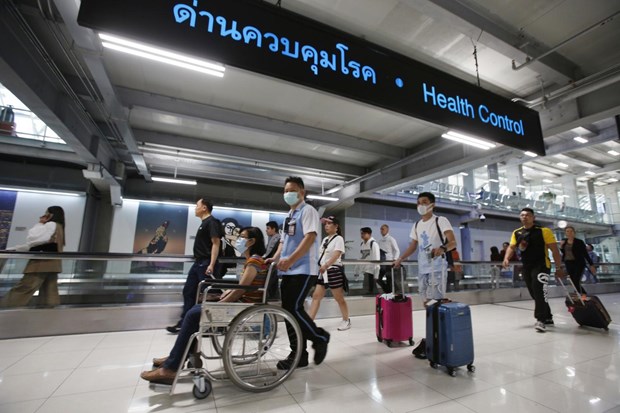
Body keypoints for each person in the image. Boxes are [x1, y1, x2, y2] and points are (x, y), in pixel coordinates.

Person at [141, 227, 268, 385]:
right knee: (194, 310)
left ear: (252, 241)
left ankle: (171, 367)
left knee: (193, 314)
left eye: (242, 237)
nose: (238, 240)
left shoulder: (254, 261)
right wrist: (222, 295)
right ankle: (179, 357)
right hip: (239, 304)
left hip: (242, 308)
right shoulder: (251, 261)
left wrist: (221, 304)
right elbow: (241, 287)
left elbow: (243, 289)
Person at [269, 177, 330, 370]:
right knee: (289, 311)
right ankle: (299, 355)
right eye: (286, 190)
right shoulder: (289, 215)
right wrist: (276, 258)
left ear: (302, 192)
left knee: (293, 308)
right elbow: (283, 242)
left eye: (292, 190)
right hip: (288, 270)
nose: (288, 193)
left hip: (304, 270)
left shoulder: (308, 210)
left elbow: (310, 237)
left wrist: (291, 260)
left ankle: (320, 337)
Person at [502, 208, 565, 333]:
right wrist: (506, 258)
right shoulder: (517, 232)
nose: (525, 217)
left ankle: (540, 319)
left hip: (542, 265)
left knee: (538, 289)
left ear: (533, 218)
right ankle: (548, 316)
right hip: (527, 266)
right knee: (534, 293)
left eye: (528, 215)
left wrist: (558, 267)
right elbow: (512, 247)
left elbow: (555, 250)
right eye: (522, 215)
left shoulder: (543, 231)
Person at [166, 198, 222, 334]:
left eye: (197, 205)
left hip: (206, 263)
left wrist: (211, 264)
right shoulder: (204, 223)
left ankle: (215, 324)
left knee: (210, 295)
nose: (195, 208)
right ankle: (186, 323)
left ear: (204, 208)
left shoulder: (212, 222)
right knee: (189, 291)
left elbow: (216, 243)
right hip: (198, 263)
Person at [394, 192, 456, 305]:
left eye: (424, 202)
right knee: (425, 301)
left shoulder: (440, 220)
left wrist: (442, 248)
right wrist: (401, 258)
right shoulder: (417, 225)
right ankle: (432, 322)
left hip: (437, 267)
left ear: (432, 204)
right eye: (418, 203)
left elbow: (453, 242)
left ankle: (437, 321)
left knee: (435, 301)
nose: (420, 205)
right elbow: (413, 246)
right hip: (422, 268)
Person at [2, 206, 66, 308]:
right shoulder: (60, 227)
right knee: (49, 290)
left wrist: (40, 223)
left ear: (51, 214)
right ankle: (49, 314)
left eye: (46, 213)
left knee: (25, 287)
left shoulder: (51, 224)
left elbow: (34, 238)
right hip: (54, 263)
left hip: (41, 263)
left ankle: (6, 307)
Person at [308, 216, 350, 331]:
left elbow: (336, 255)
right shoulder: (325, 239)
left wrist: (326, 265)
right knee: (316, 296)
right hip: (323, 271)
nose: (326, 225)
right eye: (325, 223)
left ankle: (346, 320)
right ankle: (309, 323)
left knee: (338, 298)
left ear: (336, 226)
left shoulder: (339, 239)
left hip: (333, 270)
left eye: (329, 223)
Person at [559, 226, 595, 294]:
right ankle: (580, 294)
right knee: (572, 281)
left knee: (576, 280)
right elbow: (564, 253)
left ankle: (582, 294)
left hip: (579, 263)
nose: (569, 233)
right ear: (565, 233)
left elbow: (585, 254)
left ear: (574, 233)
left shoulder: (579, 242)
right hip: (568, 263)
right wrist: (561, 247)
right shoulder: (564, 241)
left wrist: (591, 264)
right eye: (567, 231)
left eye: (571, 231)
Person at [355, 227, 380, 295]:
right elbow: (360, 257)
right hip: (365, 270)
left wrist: (376, 275)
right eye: (361, 233)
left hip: (371, 271)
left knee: (369, 290)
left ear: (369, 234)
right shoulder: (362, 244)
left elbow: (377, 259)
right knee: (369, 290)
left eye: (364, 233)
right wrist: (357, 271)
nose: (362, 235)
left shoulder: (374, 244)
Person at [377, 224, 400, 293]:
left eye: (383, 229)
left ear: (387, 230)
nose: (381, 231)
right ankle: (387, 291)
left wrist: (395, 259)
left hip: (389, 263)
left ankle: (395, 292)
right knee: (377, 278)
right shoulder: (380, 241)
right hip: (382, 263)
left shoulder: (391, 239)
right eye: (380, 229)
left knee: (389, 279)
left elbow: (397, 250)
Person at [264, 220, 281, 299]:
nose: (266, 230)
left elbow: (269, 253)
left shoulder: (276, 238)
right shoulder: (274, 238)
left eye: (268, 228)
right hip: (274, 264)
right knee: (273, 285)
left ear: (274, 229)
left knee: (271, 284)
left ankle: (273, 299)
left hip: (273, 264)